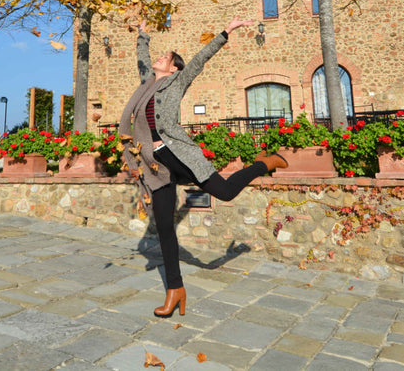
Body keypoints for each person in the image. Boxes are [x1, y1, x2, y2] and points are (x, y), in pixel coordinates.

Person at [119, 17, 288, 318]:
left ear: (174, 69)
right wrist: (143, 34)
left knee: (223, 192)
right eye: (160, 56)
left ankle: (263, 163)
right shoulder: (146, 85)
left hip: (177, 154)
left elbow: (199, 59)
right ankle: (175, 290)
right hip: (155, 166)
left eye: (166, 58)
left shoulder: (178, 81)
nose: (159, 58)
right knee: (165, 228)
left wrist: (226, 31)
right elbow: (142, 59)